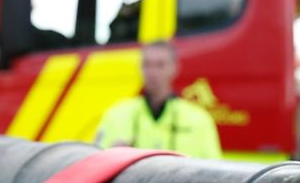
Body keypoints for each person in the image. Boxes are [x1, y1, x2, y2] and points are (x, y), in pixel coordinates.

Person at [94, 40, 223, 159]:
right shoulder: (116, 114)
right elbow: (96, 164)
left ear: (175, 68)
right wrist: (113, 157)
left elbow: (213, 169)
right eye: (147, 65)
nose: (152, 72)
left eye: (160, 65)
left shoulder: (199, 120)